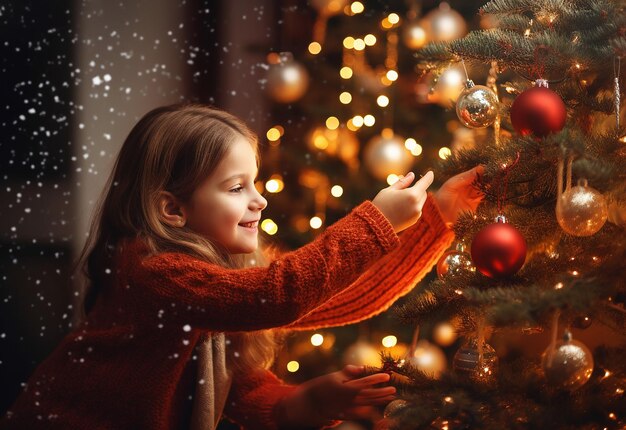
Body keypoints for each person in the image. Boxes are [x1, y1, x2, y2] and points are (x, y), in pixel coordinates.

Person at [0, 104, 483, 430]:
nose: (260, 199)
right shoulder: (153, 271)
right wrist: (375, 220)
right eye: (236, 188)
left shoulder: (226, 274)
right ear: (173, 210)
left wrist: (438, 215)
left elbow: (338, 297)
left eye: (255, 182)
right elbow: (279, 295)